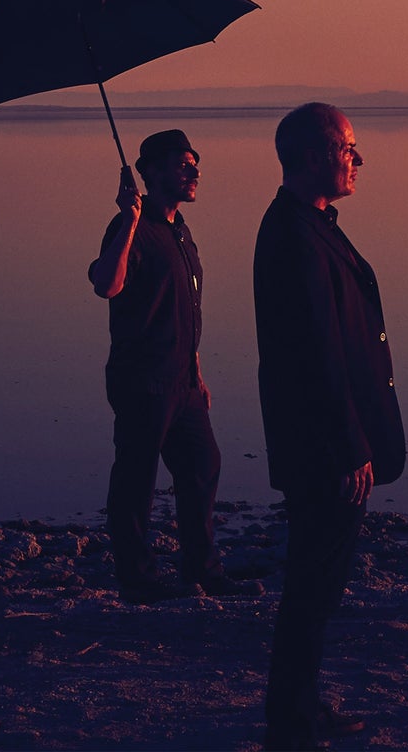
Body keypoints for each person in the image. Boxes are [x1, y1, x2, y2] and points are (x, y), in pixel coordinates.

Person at [254, 103, 405, 752]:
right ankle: (293, 719)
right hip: (323, 448)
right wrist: (350, 447)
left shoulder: (311, 223)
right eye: (349, 149)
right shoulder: (291, 232)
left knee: (318, 585)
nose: (358, 159)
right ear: (313, 155)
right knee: (312, 586)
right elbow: (315, 351)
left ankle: (302, 707)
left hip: (328, 441)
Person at [89, 128, 253, 601]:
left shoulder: (180, 232)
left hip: (183, 381)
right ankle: (137, 579)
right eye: (184, 165)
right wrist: (128, 219)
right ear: (152, 172)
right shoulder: (131, 229)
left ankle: (203, 571)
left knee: (202, 465)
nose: (195, 171)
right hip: (142, 379)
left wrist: (197, 374)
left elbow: (187, 307)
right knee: (136, 478)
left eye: (195, 163)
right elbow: (107, 285)